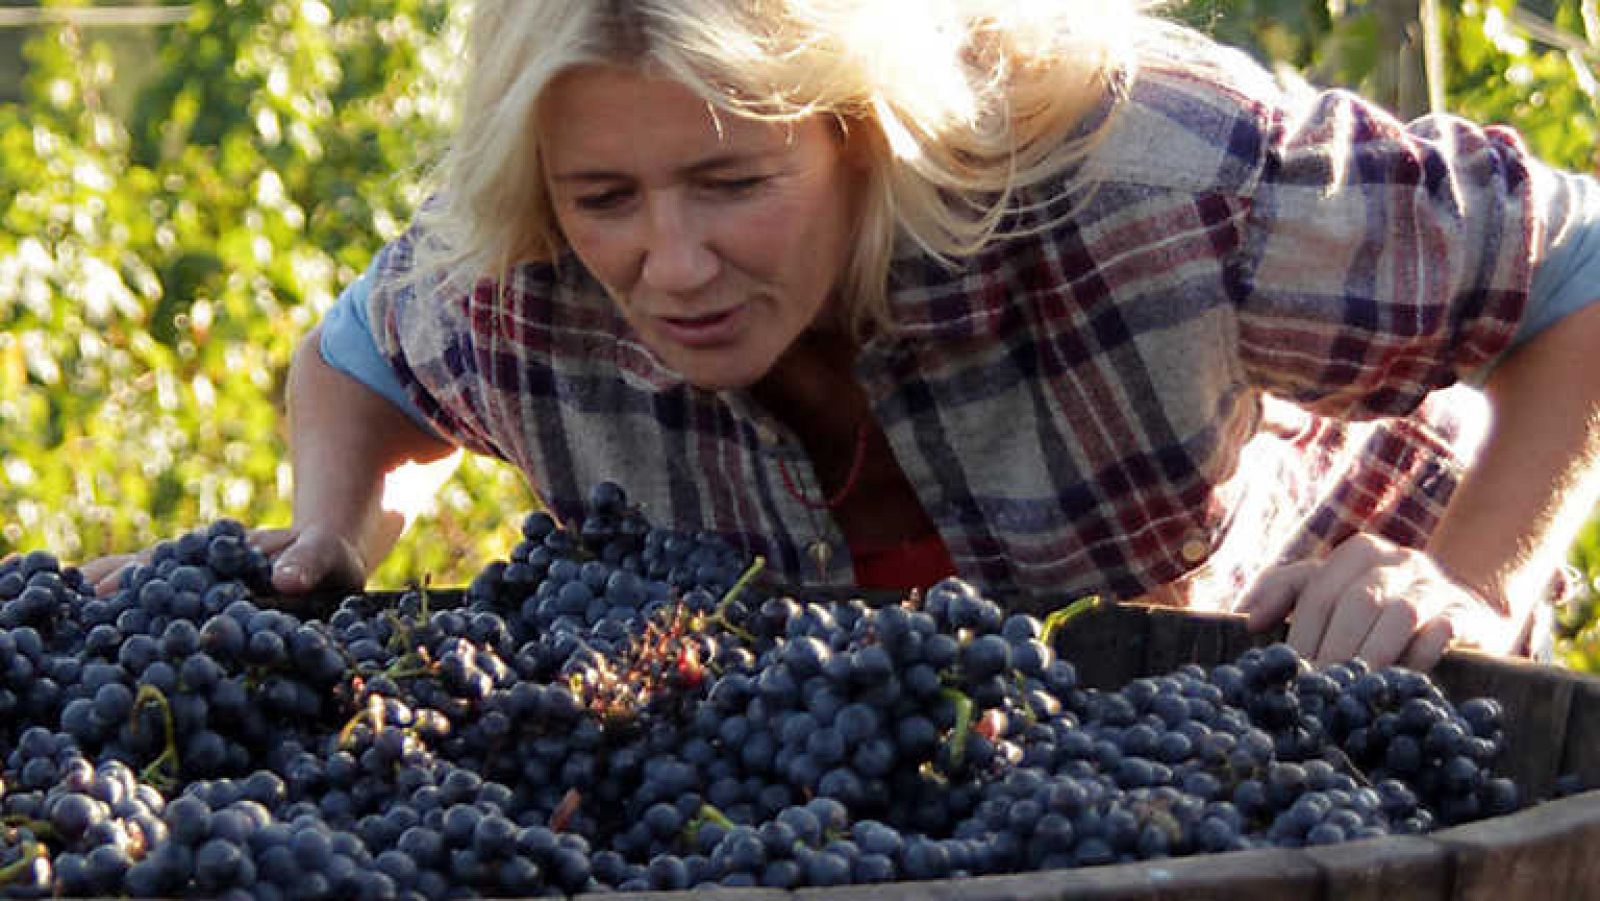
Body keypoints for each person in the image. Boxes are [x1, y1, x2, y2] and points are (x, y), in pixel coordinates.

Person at [81, 0, 1600, 670]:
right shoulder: (519, 276)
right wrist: (326, 536)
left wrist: (1468, 581)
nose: (669, 262)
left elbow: (1575, 264)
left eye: (733, 181)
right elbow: (359, 358)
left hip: (1307, 679)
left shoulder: (1148, 180)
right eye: (605, 193)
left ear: (862, 135)